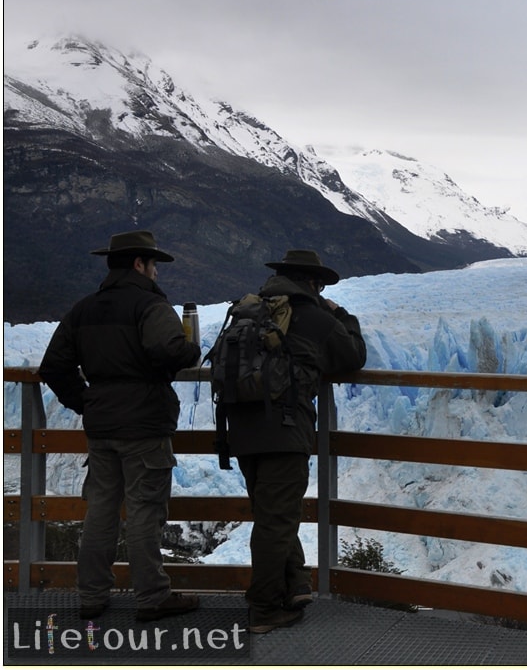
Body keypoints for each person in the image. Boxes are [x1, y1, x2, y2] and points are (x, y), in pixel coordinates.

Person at [37, 230, 201, 622]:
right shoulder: (150, 306)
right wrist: (190, 347)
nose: (157, 273)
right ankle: (153, 598)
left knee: (101, 510)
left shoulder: (84, 309)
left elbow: (54, 367)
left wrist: (88, 400)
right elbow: (168, 351)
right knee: (145, 511)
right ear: (139, 264)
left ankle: (92, 596)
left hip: (103, 427)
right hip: (144, 425)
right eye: (153, 265)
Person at [224, 249, 366, 634]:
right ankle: (264, 608)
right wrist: (342, 315)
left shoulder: (250, 310)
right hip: (284, 430)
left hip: (242, 430)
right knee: (277, 521)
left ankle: (294, 585)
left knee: (271, 514)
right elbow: (354, 355)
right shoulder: (314, 316)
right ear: (313, 283)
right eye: (319, 285)